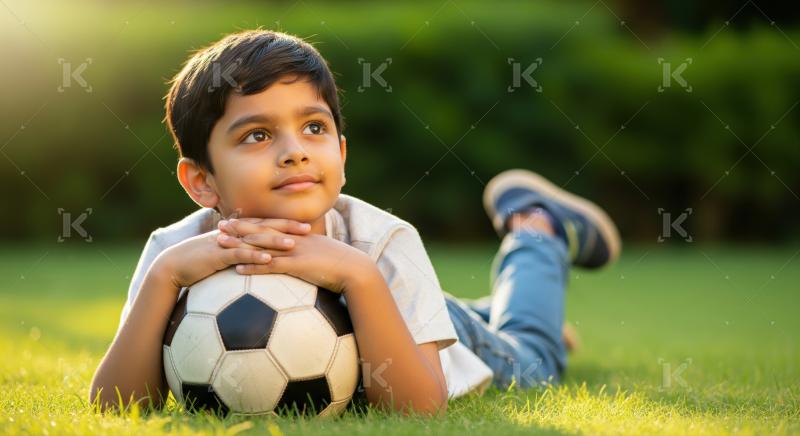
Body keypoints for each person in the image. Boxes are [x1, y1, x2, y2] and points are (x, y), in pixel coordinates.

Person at [88, 29, 620, 416]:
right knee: (453, 311)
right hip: (416, 309)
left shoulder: (382, 242)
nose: (295, 152)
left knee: (535, 356)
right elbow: (115, 405)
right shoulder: (176, 252)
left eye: (313, 127)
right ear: (201, 181)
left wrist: (358, 276)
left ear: (341, 154)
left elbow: (419, 409)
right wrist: (164, 279)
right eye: (257, 135)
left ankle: (535, 231)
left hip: (448, 340)